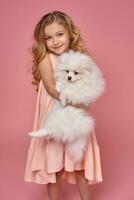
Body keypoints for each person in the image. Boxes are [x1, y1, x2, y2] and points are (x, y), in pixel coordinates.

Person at [24, 11, 103, 200]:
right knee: (54, 166)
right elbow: (52, 88)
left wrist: (83, 98)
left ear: (69, 33)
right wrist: (74, 99)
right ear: (43, 41)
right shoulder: (45, 58)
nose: (55, 41)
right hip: (55, 111)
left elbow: (90, 82)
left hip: (75, 114)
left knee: (79, 164)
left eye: (59, 34)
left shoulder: (79, 57)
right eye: (48, 37)